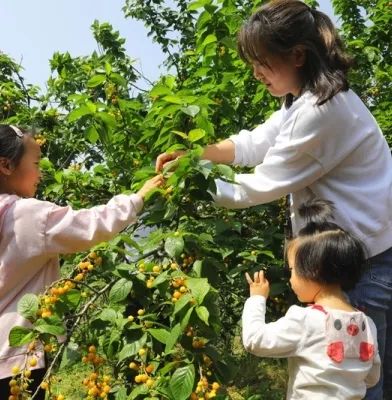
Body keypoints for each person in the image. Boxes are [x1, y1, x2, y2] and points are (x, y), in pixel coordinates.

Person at [155, 1, 392, 397]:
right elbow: (256, 143)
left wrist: (186, 183)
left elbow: (257, 186)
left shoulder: (320, 110)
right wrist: (198, 154)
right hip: (355, 255)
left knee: (357, 387)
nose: (255, 72)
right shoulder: (304, 98)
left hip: (362, 264)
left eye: (262, 61)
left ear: (297, 55)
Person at [0, 124, 163, 398]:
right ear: (6, 165)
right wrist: (140, 197)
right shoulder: (25, 215)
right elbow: (92, 225)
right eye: (36, 163)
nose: (41, 173)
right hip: (15, 361)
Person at [242, 199, 380, 399]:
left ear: (312, 270)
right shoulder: (367, 325)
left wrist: (256, 299)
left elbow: (255, 340)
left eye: (292, 271)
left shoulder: (305, 320)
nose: (290, 279)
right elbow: (372, 377)